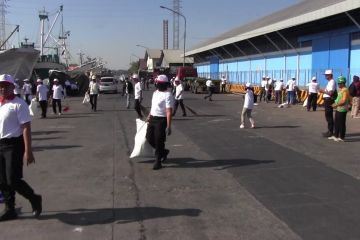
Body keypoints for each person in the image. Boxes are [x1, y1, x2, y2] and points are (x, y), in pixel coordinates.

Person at [0, 74, 42, 221]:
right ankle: (9, 209)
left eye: (6, 85)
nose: (3, 88)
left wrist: (28, 150)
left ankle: (34, 198)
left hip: (13, 145)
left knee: (13, 179)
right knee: (2, 180)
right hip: (0, 144)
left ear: (13, 87)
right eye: (1, 86)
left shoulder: (19, 104)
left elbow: (26, 128)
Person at [146, 74, 173, 170]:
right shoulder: (155, 93)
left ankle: (158, 161)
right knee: (149, 139)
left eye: (160, 83)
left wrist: (169, 126)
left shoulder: (168, 95)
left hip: (161, 120)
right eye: (157, 83)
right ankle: (164, 152)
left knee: (159, 140)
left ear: (165, 84)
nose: (158, 84)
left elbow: (169, 111)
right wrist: (149, 116)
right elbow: (153, 107)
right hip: (152, 118)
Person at [328, 76, 350, 142]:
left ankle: (341, 137)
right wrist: (335, 103)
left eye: (340, 83)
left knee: (341, 123)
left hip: (342, 109)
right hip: (339, 108)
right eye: (338, 83)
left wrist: (336, 105)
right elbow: (339, 99)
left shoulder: (345, 90)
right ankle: (336, 136)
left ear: (343, 83)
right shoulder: (341, 90)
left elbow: (343, 101)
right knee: (336, 122)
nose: (339, 84)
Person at [320, 69, 336, 137]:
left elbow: (330, 93)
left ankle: (330, 131)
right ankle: (330, 130)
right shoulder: (330, 82)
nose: (325, 76)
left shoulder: (332, 82)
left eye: (326, 75)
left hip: (329, 100)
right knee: (328, 116)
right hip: (327, 99)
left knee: (329, 116)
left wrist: (323, 91)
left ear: (330, 75)